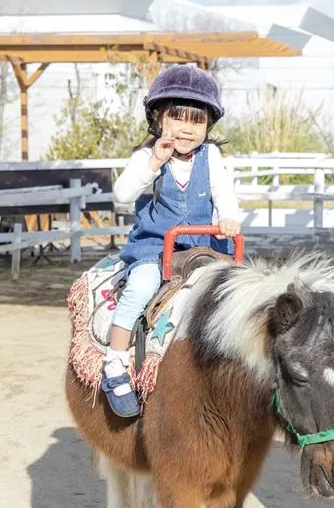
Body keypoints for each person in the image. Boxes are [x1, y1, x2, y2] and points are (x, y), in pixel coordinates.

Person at [101, 65, 241, 418]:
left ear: (208, 125)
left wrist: (228, 216)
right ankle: (115, 361)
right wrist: (153, 162)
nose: (186, 129)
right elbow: (122, 193)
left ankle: (233, 366)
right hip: (156, 245)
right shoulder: (146, 157)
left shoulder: (211, 157)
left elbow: (225, 192)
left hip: (201, 245)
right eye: (177, 118)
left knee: (234, 293)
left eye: (196, 121)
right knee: (142, 285)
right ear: (158, 118)